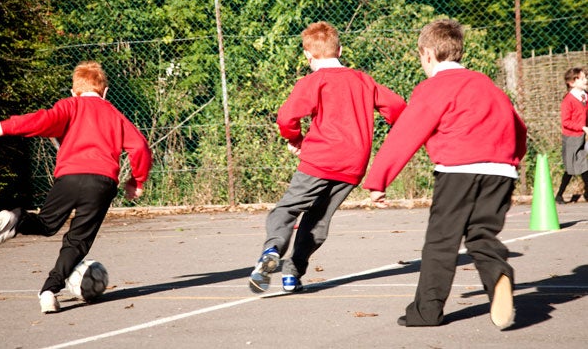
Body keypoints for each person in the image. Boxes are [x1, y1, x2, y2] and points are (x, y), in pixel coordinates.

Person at [363, 19, 527, 330]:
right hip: (501, 170)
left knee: (441, 242)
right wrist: (513, 160)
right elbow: (518, 125)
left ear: (426, 54)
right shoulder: (485, 84)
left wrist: (378, 180)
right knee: (481, 235)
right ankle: (499, 275)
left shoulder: (433, 87)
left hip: (458, 170)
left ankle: (427, 312)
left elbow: (407, 133)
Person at [0, 61, 153, 313]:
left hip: (68, 178)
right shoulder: (114, 114)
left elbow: (42, 120)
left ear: (74, 92)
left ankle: (14, 219)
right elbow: (141, 148)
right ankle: (49, 291)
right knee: (77, 242)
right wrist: (136, 181)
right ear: (105, 92)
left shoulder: (69, 106)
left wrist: (5, 126)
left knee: (47, 224)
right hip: (100, 183)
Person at [248, 21, 407, 293]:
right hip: (352, 166)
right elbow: (397, 108)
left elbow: (286, 118)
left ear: (308, 56)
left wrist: (295, 139)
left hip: (319, 160)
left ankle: (272, 250)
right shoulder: (363, 80)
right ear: (340, 50)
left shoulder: (313, 81)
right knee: (318, 220)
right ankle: (292, 275)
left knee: (286, 209)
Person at [554, 67, 588, 204]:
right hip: (571, 138)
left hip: (581, 135)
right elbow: (566, 122)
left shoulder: (584, 97)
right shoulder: (568, 100)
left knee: (583, 164)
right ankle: (559, 194)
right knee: (571, 168)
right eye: (583, 78)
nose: (586, 80)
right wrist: (582, 127)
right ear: (572, 82)